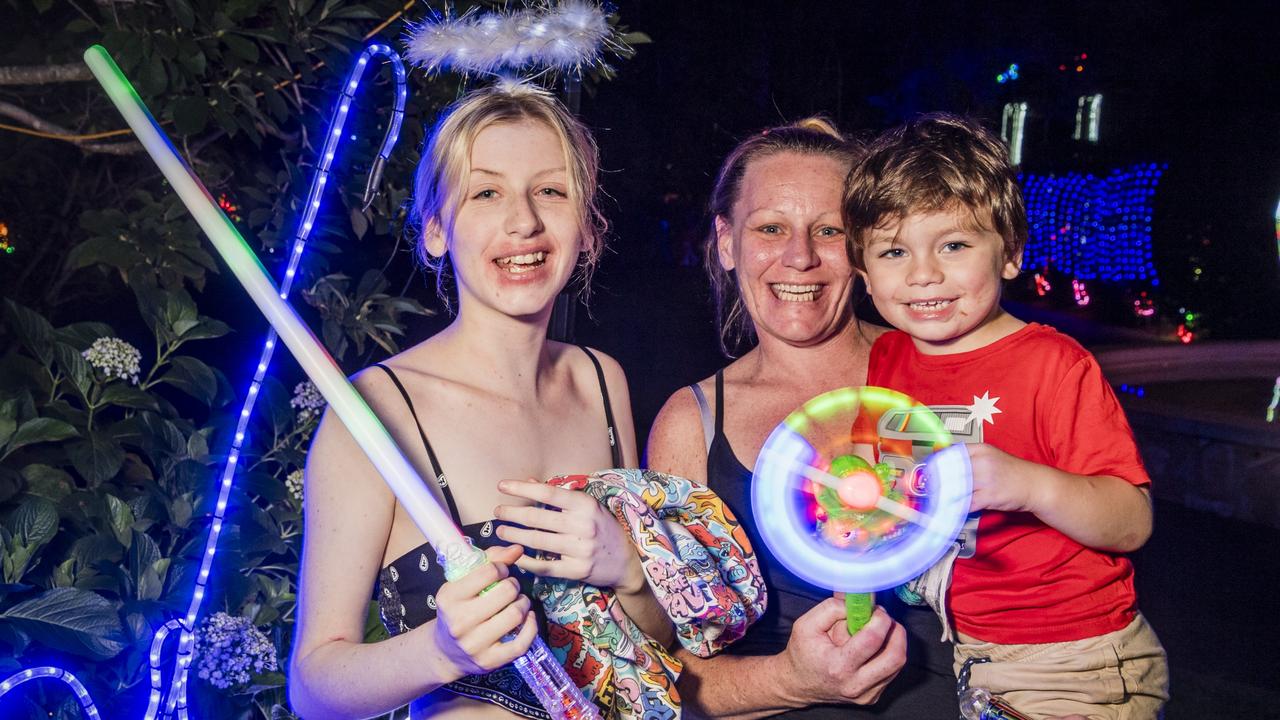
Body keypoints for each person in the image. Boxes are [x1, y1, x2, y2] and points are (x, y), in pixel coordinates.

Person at [288, 81, 671, 720]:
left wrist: (630, 572)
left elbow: (647, 650)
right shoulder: (378, 411)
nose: (523, 220)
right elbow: (313, 688)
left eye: (550, 190)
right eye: (485, 192)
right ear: (436, 229)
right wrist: (442, 653)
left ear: (585, 223)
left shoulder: (602, 382)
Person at [845, 113, 1169, 719]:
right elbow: (877, 484)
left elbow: (1131, 523)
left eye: (955, 245)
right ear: (864, 273)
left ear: (1012, 253)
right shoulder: (888, 356)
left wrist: (1027, 483)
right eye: (894, 250)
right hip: (968, 651)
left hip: (1074, 661)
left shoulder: (1053, 364)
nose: (923, 274)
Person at [646, 119, 957, 719]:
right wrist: (794, 680)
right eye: (770, 228)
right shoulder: (692, 423)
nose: (800, 257)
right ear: (727, 242)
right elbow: (664, 673)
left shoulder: (939, 369)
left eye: (829, 230)